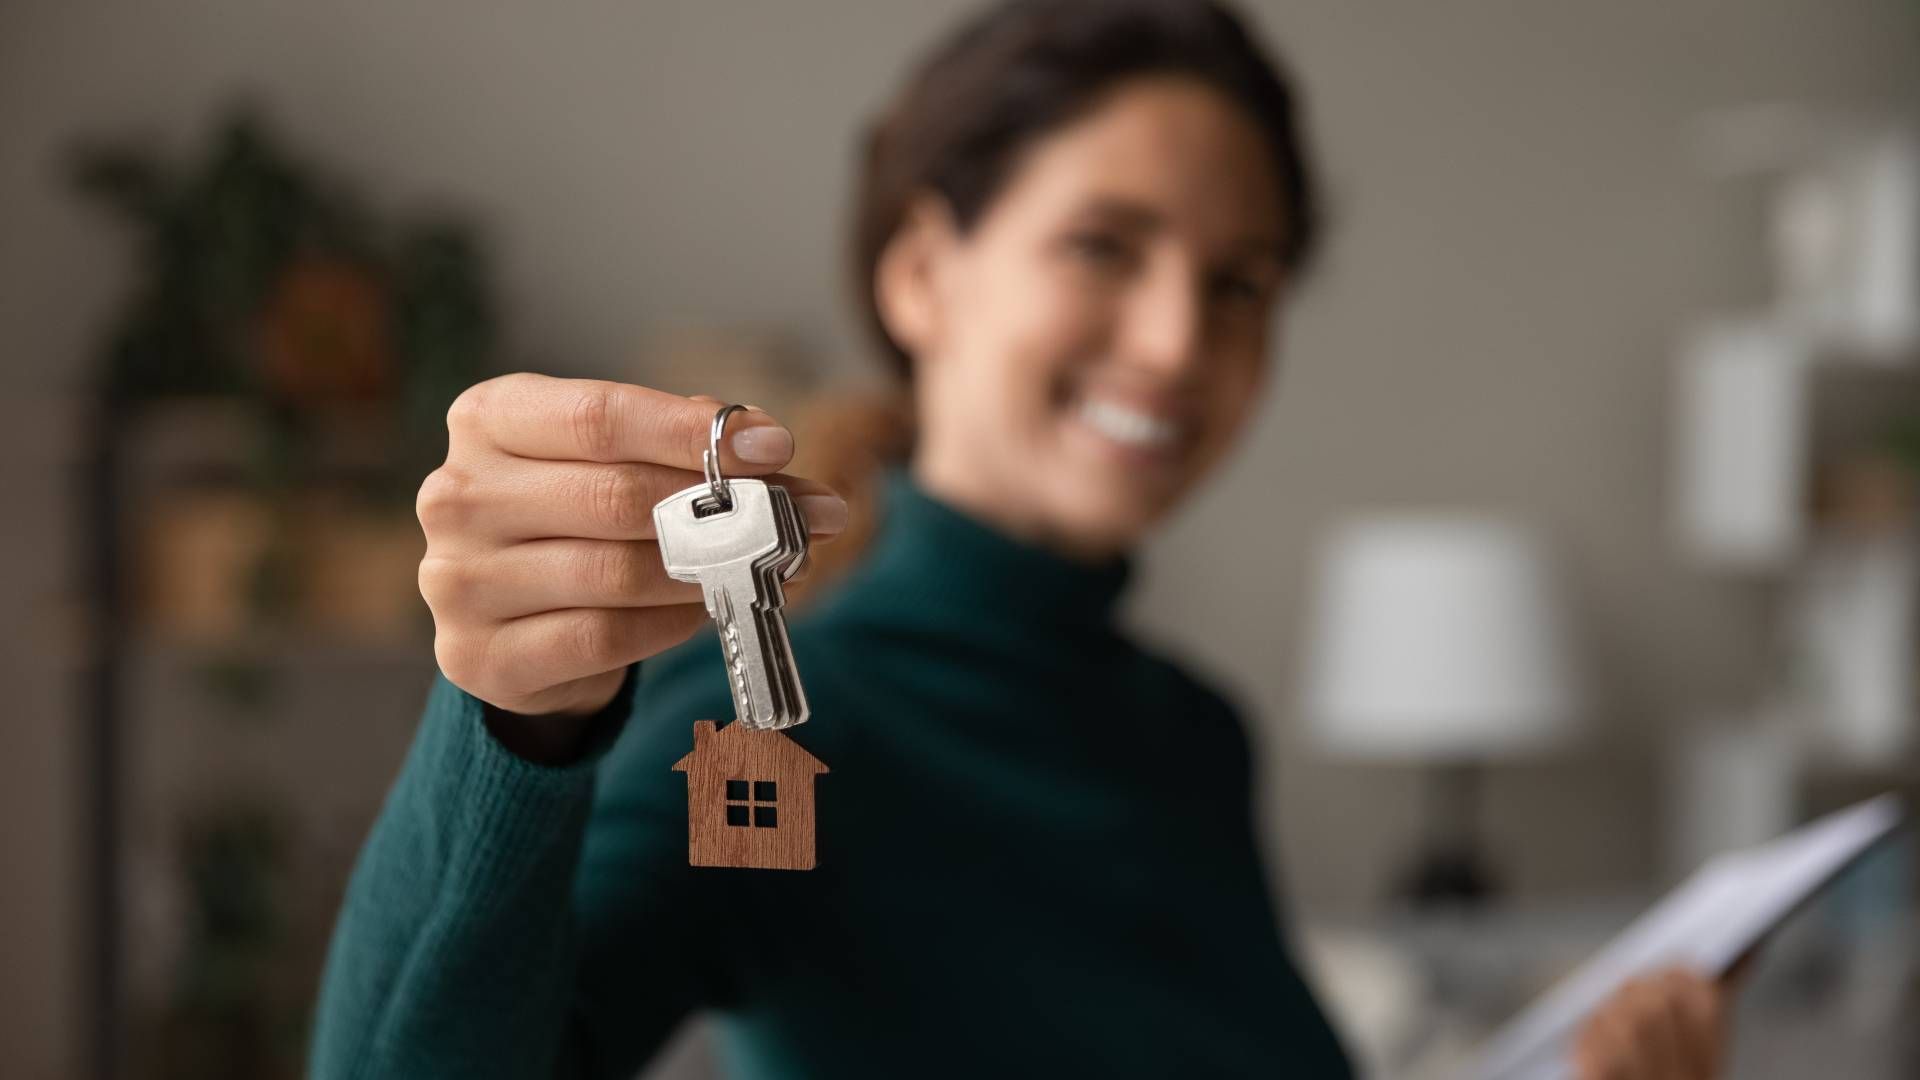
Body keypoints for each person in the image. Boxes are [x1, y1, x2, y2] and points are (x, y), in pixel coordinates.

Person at [310, 2, 1738, 1077]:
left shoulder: (1189, 734)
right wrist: (515, 725)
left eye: (1238, 284)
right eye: (1106, 246)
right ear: (926, 273)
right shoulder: (767, 733)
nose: (1180, 342)